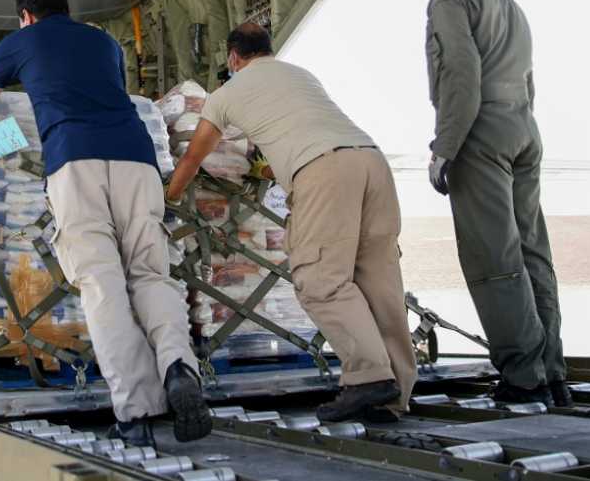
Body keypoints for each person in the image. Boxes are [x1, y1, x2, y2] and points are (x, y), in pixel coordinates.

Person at [0, 0, 210, 448]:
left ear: (26, 17)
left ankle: (137, 409)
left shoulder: (21, 41)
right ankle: (179, 368)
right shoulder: (104, 43)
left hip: (75, 161)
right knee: (151, 274)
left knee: (102, 282)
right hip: (137, 159)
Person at [166, 23, 417, 423]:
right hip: (371, 161)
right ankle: (394, 396)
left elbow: (193, 158)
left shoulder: (226, 94)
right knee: (380, 284)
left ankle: (369, 377)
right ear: (269, 50)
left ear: (233, 58)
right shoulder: (302, 76)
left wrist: (169, 198)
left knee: (319, 279)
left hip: (323, 170)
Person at [405, 0, 569, 407]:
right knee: (532, 252)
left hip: (479, 132)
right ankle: (552, 373)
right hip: (523, 129)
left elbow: (460, 72)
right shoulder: (506, 0)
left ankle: (523, 377)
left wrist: (445, 146)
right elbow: (528, 79)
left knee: (493, 257)